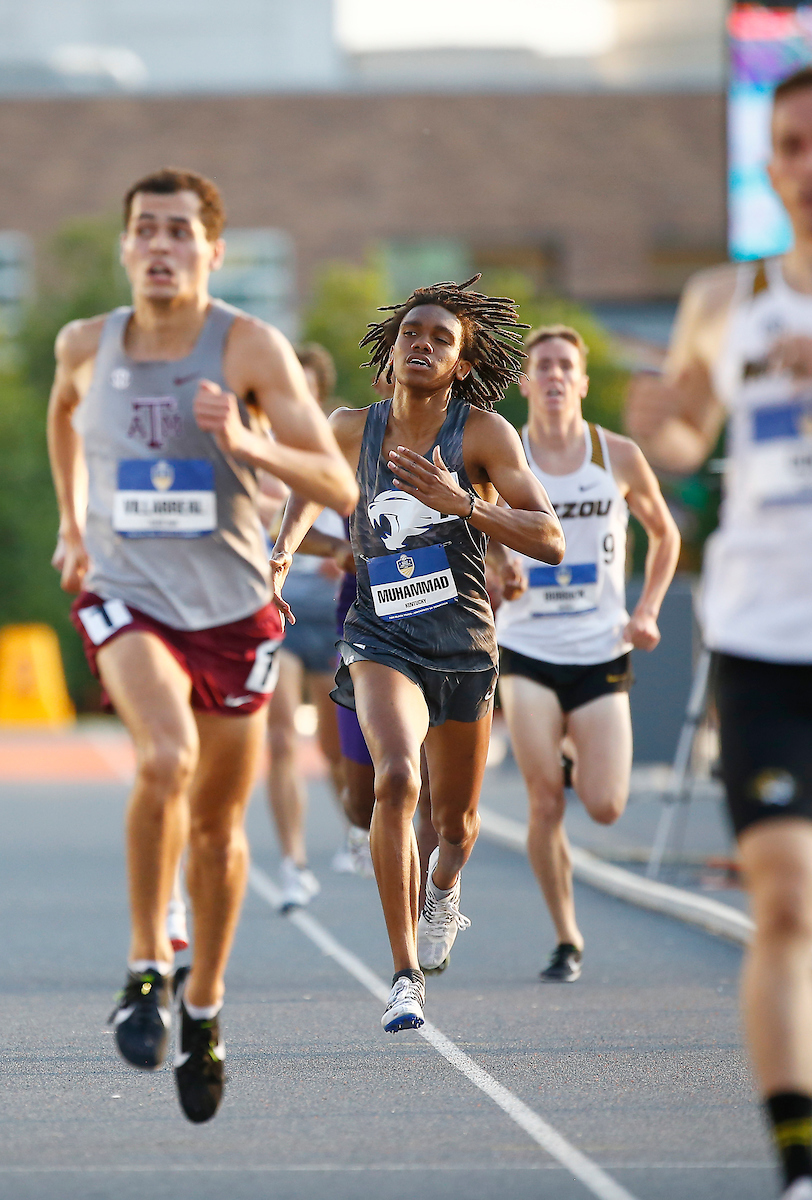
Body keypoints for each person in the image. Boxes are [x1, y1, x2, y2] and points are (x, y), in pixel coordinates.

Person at [47, 167, 357, 1123]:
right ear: (127, 246)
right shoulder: (85, 343)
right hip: (127, 591)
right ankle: (146, 967)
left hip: (229, 606)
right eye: (146, 230)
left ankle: (206, 1007)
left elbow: (339, 485)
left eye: (180, 232)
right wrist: (71, 521)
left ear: (211, 252)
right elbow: (63, 413)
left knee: (220, 830)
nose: (161, 247)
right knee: (165, 758)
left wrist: (252, 447)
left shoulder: (250, 347)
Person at [626, 64, 812, 1200]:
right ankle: (799, 1163)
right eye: (793, 147)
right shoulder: (724, 297)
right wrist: (662, 426)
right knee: (787, 898)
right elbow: (689, 439)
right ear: (769, 166)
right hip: (765, 641)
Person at [272, 277, 565, 1032]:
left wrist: (462, 502)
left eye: (441, 339)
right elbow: (309, 488)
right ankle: (404, 976)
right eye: (412, 333)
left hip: (463, 642)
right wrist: (279, 555)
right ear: (393, 348)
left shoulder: (483, 435)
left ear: (462, 363)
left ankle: (442, 891)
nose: (423, 345)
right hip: (379, 635)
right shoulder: (349, 426)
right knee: (395, 781)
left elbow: (549, 536)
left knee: (456, 823)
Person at [493, 324, 680, 982]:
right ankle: (567, 938)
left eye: (564, 366)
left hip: (599, 647)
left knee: (604, 805)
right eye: (541, 365)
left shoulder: (618, 455)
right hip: (526, 647)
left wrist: (648, 608)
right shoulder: (504, 458)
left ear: (582, 382)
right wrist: (496, 572)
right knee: (545, 803)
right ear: (524, 383)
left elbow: (665, 534)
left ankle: (575, 748)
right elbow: (472, 530)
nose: (552, 376)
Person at [263, 343, 359, 908]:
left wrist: (341, 549)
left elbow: (355, 514)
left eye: (303, 385)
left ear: (318, 394)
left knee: (334, 748)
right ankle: (293, 862)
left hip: (329, 612)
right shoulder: (253, 445)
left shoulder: (337, 445)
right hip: (273, 610)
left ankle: (356, 825)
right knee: (279, 739)